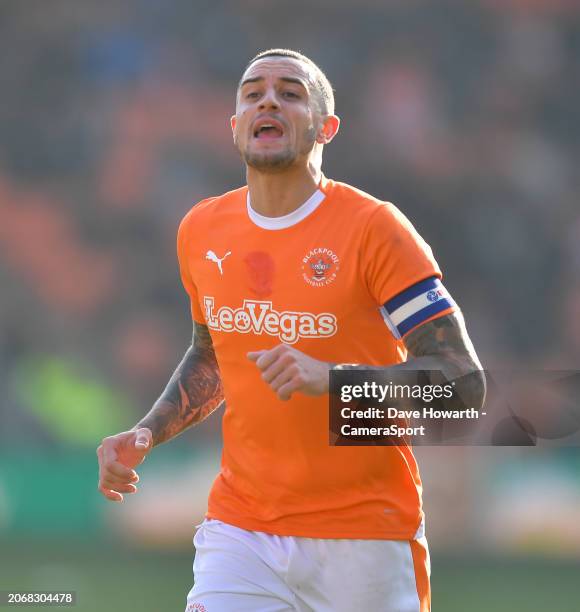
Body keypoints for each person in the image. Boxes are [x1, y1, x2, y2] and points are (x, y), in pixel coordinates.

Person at [97, 48, 485, 612]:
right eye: (253, 93)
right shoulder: (201, 228)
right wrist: (147, 433)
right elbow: (212, 356)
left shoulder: (376, 229)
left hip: (364, 535)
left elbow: (462, 386)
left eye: (290, 92)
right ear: (235, 128)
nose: (268, 100)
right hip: (241, 528)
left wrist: (334, 378)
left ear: (326, 127)